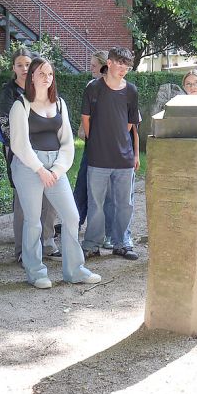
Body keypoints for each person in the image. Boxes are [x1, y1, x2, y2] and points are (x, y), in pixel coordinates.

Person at [9, 57, 102, 289]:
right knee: (33, 221)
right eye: (41, 73)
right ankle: (36, 272)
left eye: (50, 74)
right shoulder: (20, 105)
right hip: (29, 166)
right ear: (31, 77)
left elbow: (68, 142)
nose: (46, 78)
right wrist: (40, 169)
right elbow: (19, 144)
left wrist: (58, 169)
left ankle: (75, 270)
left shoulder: (59, 103)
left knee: (71, 216)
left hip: (55, 168)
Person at [0, 48, 59, 262]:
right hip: (21, 154)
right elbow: (6, 126)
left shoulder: (44, 90)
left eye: (28, 64)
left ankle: (48, 242)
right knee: (23, 203)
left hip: (47, 154)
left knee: (50, 198)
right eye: (20, 65)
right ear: (13, 68)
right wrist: (25, 148)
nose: (24, 68)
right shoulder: (9, 93)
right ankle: (23, 250)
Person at [80, 47, 141, 260]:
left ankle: (121, 243)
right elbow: (86, 120)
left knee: (124, 203)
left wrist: (119, 141)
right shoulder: (93, 88)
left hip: (123, 158)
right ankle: (91, 244)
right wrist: (97, 141)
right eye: (120, 63)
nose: (124, 68)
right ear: (111, 62)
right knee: (96, 203)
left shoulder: (131, 90)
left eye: (128, 65)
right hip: (97, 157)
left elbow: (130, 123)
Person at [73, 51, 116, 247]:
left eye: (94, 65)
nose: (90, 68)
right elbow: (84, 125)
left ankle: (108, 233)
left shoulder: (119, 86)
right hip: (94, 146)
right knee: (83, 183)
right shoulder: (91, 86)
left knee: (108, 192)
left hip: (112, 147)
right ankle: (75, 223)